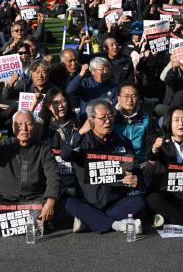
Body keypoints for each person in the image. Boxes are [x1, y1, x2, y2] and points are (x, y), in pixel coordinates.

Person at [61, 99, 145, 234]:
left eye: (111, 116)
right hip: (87, 201)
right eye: (103, 117)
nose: (108, 121)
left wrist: (136, 179)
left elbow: (135, 169)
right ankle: (117, 225)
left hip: (114, 202)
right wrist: (81, 132)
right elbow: (65, 154)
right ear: (91, 120)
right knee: (69, 203)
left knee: (139, 202)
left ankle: (90, 222)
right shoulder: (80, 141)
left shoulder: (123, 141)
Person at [0, 110, 59, 234]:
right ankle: (34, 222)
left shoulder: (44, 149)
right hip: (7, 200)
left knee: (55, 205)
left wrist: (51, 200)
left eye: (28, 124)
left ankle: (2, 223)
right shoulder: (6, 144)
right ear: (13, 127)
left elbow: (53, 177)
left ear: (34, 126)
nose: (24, 128)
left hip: (33, 200)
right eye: (19, 124)